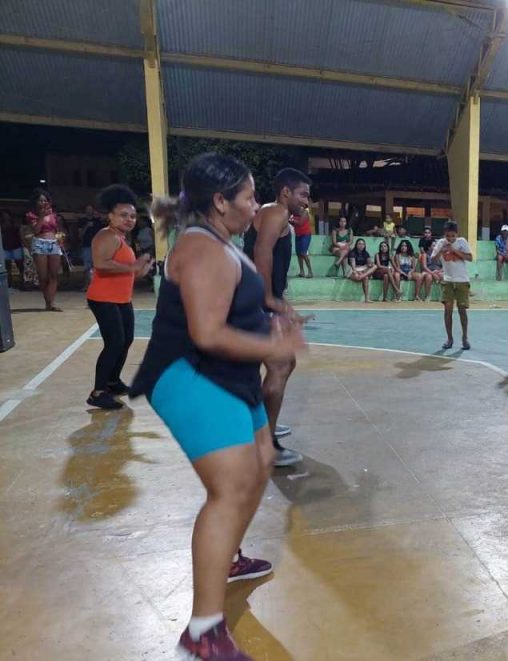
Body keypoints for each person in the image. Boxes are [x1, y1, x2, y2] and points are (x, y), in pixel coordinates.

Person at [131, 153, 306, 660]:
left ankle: (226, 557)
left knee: (261, 464)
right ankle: (203, 633)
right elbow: (206, 332)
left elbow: (236, 309)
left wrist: (268, 322)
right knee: (230, 488)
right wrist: (273, 347)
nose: (257, 206)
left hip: (229, 376)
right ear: (220, 201)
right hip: (189, 374)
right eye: (250, 197)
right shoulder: (200, 246)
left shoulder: (222, 243)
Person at [243, 167, 311, 468]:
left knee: (283, 364)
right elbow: (262, 251)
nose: (306, 201)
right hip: (258, 301)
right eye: (303, 194)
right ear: (286, 192)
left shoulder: (278, 215)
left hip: (258, 300)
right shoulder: (276, 212)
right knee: (280, 365)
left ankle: (261, 427)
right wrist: (269, 298)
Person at [85, 185, 153, 410]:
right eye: (123, 215)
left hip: (120, 298)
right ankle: (98, 392)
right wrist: (132, 266)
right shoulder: (107, 236)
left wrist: (140, 269)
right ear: (110, 216)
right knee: (114, 343)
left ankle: (112, 382)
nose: (130, 219)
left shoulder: (120, 238)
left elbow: (126, 269)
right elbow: (101, 265)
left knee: (125, 340)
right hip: (104, 298)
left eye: (133, 216)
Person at [431, 221, 473, 350]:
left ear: (457, 234)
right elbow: (433, 259)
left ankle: (465, 338)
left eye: (453, 236)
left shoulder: (462, 242)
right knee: (447, 310)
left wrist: (454, 250)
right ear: (444, 235)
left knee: (462, 311)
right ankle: (449, 338)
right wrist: (441, 251)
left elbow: (470, 258)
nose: (450, 239)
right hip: (448, 281)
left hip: (462, 281)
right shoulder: (440, 243)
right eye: (448, 236)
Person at [26, 189, 65, 311]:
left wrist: (61, 238)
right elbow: (36, 230)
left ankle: (51, 303)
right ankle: (47, 301)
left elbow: (58, 230)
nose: (43, 202)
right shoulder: (31, 215)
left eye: (45, 200)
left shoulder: (54, 215)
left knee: (54, 275)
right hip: (40, 244)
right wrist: (42, 217)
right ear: (36, 202)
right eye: (40, 200)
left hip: (54, 243)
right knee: (43, 276)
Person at [78, 205, 105, 291]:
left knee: (98, 266)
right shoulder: (82, 221)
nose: (89, 211)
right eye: (87, 209)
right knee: (87, 267)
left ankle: (98, 285)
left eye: (91, 209)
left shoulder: (98, 221)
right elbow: (80, 235)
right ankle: (86, 285)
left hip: (98, 246)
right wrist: (86, 226)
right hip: (86, 246)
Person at [2, 210, 26, 290]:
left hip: (16, 247)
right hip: (6, 248)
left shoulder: (15, 225)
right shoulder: (2, 226)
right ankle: (9, 285)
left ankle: (23, 283)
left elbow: (20, 236)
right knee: (7, 269)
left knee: (20, 267)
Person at [347, 238, 377, 302]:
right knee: (363, 277)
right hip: (353, 270)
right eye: (359, 244)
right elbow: (353, 265)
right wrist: (356, 272)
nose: (361, 245)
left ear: (364, 245)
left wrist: (369, 264)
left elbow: (370, 263)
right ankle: (362, 276)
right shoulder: (352, 253)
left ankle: (366, 298)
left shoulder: (366, 253)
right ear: (356, 245)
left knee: (374, 266)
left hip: (363, 270)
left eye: (363, 244)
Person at [290, 208, 313, 278]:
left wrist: (291, 220)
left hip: (305, 235)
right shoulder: (294, 213)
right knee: (298, 254)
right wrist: (290, 221)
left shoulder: (305, 212)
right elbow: (295, 224)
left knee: (303, 252)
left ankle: (310, 271)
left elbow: (300, 223)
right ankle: (302, 271)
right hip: (298, 234)